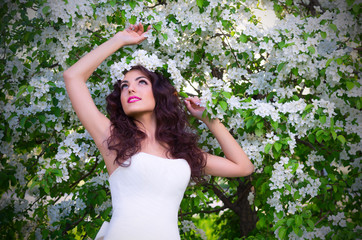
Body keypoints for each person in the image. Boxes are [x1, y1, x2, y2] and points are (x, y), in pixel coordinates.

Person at [63, 22, 254, 240]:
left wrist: (211, 120)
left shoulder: (182, 153)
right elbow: (73, 77)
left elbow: (243, 167)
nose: (131, 88)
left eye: (141, 82)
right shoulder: (112, 138)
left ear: (159, 94)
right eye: (124, 86)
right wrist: (120, 39)